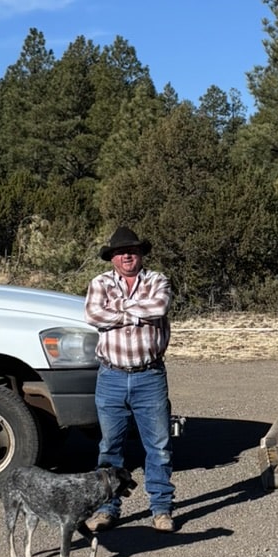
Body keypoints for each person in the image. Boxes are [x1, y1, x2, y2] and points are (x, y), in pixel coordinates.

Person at [83, 225, 174, 532]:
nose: (126, 256)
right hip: (111, 375)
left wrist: (118, 311)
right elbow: (93, 315)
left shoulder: (157, 280)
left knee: (159, 446)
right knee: (110, 448)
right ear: (112, 257)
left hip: (149, 375)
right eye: (121, 252)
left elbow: (159, 307)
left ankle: (161, 509)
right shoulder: (99, 282)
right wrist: (137, 313)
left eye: (132, 251)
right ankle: (107, 508)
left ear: (140, 255)